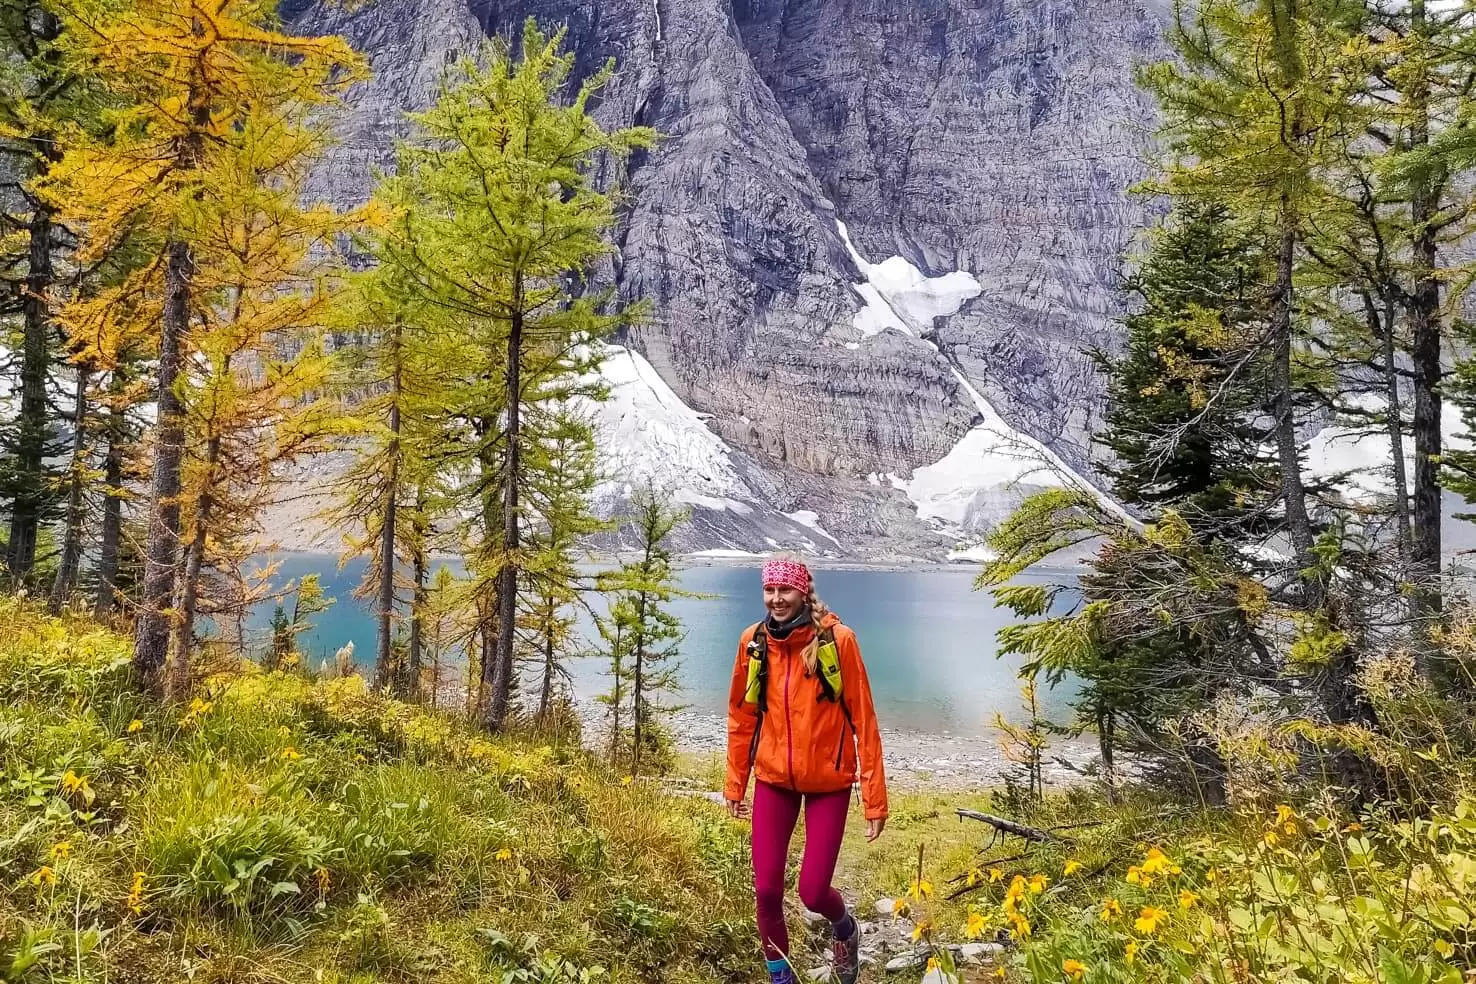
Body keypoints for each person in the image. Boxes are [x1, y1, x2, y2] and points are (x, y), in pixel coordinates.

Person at [725, 555, 888, 984]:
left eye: (785, 590)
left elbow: (864, 723)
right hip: (774, 779)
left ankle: (846, 929)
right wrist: (735, 783)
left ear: (803, 592)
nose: (776, 599)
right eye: (769, 590)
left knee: (813, 891)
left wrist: (874, 800)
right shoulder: (754, 642)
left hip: (829, 783)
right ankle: (782, 977)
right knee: (765, 892)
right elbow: (742, 717)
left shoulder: (839, 641)